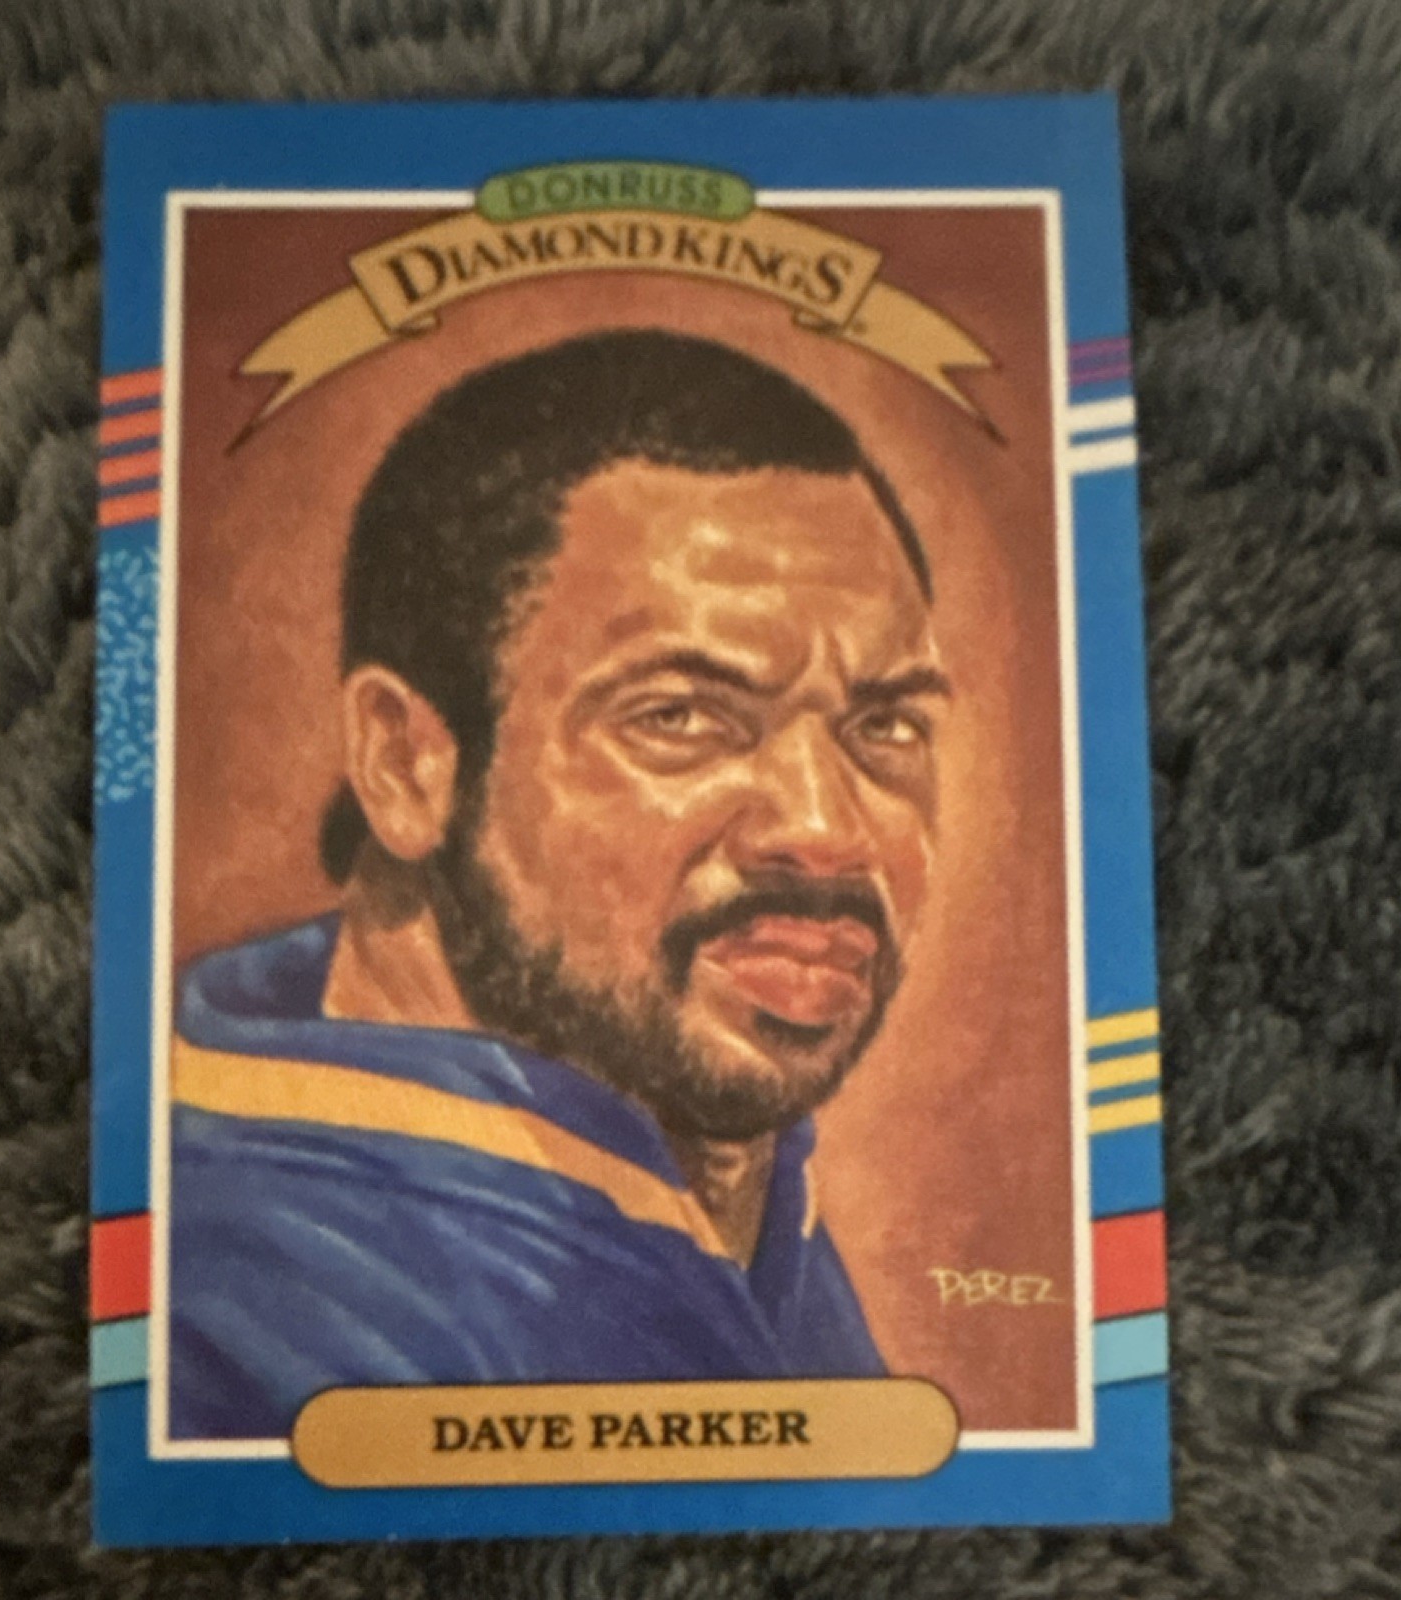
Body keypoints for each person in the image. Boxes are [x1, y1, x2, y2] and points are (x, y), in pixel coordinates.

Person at [169, 329, 950, 1439]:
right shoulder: (232, 1317)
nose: (824, 830)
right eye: (677, 716)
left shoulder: (702, 1179)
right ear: (406, 763)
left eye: (887, 725)